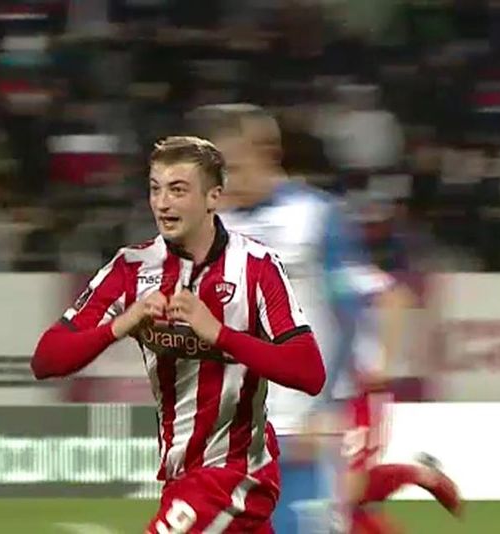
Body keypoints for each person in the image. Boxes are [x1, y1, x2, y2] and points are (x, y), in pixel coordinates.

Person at [31, 136, 326, 533]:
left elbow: (309, 372)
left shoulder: (256, 266)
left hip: (236, 476)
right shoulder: (132, 268)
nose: (163, 203)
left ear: (213, 196)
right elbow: (47, 359)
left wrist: (219, 333)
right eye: (156, 189)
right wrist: (122, 324)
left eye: (178, 190)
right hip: (181, 478)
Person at [187, 104, 460, 533]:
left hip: (304, 416)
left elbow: (351, 313)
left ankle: (415, 473)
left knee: (328, 511)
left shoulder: (314, 216)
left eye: (235, 167)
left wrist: (330, 403)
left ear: (266, 154)